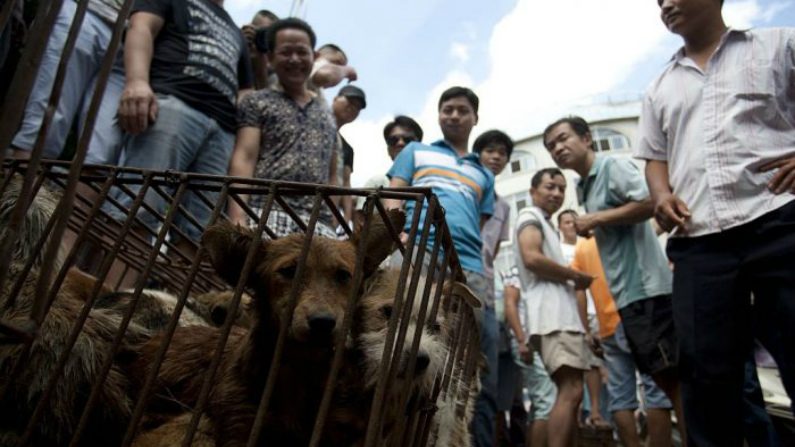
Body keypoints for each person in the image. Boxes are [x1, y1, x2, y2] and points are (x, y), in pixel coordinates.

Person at [635, 0, 795, 444]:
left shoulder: (779, 44)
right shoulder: (659, 88)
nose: (665, 4)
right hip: (699, 240)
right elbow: (655, 158)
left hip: (780, 221)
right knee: (705, 376)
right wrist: (662, 195)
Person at [544, 116, 686, 443]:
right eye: (551, 146)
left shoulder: (612, 167)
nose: (558, 148)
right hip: (627, 299)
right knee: (661, 383)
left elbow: (653, 201)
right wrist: (601, 223)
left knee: (673, 384)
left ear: (587, 138)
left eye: (563, 139)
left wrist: (597, 217)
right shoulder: (584, 185)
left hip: (649, 290)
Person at [384, 86, 497, 447]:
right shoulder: (416, 152)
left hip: (469, 268)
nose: (453, 115)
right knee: (402, 340)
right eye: (446, 109)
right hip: (418, 249)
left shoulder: (485, 174)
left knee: (462, 357)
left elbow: (478, 223)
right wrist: (392, 234)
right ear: (438, 114)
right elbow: (394, 194)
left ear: (474, 117)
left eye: (461, 110)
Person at [112, 0, 252, 251]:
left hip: (222, 129)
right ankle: (112, 288)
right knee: (140, 206)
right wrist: (136, 81)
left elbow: (246, 89)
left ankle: (170, 289)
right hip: (174, 102)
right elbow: (141, 27)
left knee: (197, 232)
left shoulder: (235, 31)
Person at [228, 18, 337, 238]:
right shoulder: (257, 102)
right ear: (270, 58)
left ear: (314, 57)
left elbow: (333, 175)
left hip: (319, 224)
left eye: (302, 52)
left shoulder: (327, 114)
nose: (295, 59)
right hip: (266, 213)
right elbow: (244, 158)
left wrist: (332, 222)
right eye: (286, 52)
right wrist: (238, 219)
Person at [513, 167, 593, 447]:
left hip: (559, 317)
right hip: (553, 317)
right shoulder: (530, 216)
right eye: (550, 187)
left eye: (561, 188)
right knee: (570, 389)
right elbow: (532, 257)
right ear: (533, 191)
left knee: (572, 391)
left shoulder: (545, 223)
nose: (557, 193)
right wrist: (574, 276)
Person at [572, 235, 675, 447]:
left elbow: (579, 288)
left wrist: (586, 330)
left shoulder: (582, 249)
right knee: (656, 390)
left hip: (606, 325)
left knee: (621, 397)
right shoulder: (622, 234)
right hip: (638, 314)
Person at [9, 0, 126, 164]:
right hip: (85, 11)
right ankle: (19, 186)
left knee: (102, 153)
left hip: (135, 38)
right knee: (45, 125)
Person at [558, 209, 609, 429]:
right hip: (568, 313)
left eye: (574, 221)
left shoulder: (589, 245)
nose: (571, 225)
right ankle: (577, 416)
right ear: (559, 226)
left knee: (597, 364)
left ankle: (597, 412)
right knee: (575, 364)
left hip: (596, 309)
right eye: (566, 222)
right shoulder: (557, 251)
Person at [502, 263, 557, 447]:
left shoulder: (537, 272)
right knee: (547, 403)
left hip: (539, 342)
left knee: (540, 404)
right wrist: (521, 340)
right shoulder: (517, 270)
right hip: (526, 342)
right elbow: (510, 304)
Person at [331, 84, 366, 225]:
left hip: (327, 213)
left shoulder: (347, 149)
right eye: (350, 101)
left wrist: (345, 218)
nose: (353, 108)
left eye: (358, 107)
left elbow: (346, 183)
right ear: (335, 99)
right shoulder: (309, 123)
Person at [241, 9, 278, 90]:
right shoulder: (235, 49)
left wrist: (261, 68)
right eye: (258, 31)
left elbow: (265, 99)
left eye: (266, 36)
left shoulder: (275, 73)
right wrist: (240, 41)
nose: (260, 38)